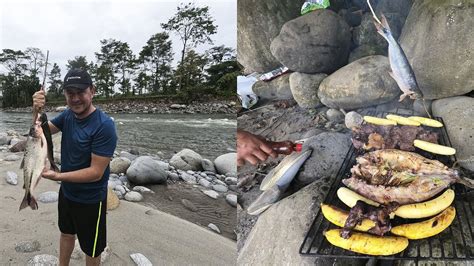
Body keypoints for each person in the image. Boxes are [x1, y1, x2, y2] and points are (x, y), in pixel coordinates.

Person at [33, 68, 117, 266]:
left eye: (81, 92)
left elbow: (96, 173)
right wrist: (36, 110)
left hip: (91, 200)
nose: (76, 98)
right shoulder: (68, 116)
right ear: (65, 94)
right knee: (66, 234)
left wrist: (57, 176)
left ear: (92, 91)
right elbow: (38, 133)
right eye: (71, 93)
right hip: (67, 193)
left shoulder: (104, 126)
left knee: (92, 249)